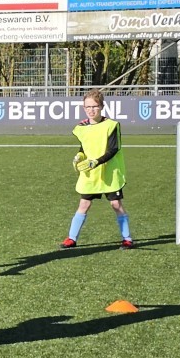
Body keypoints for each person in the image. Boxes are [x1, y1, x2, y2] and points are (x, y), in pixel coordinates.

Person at [61, 90, 134, 249]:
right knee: (84, 204)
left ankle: (127, 239)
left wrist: (96, 162)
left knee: (116, 204)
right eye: (88, 107)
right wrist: (79, 156)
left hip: (109, 172)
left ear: (101, 106)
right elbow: (84, 147)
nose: (91, 110)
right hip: (91, 173)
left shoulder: (111, 125)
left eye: (94, 106)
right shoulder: (81, 127)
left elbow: (113, 149)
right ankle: (71, 238)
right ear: (83, 108)